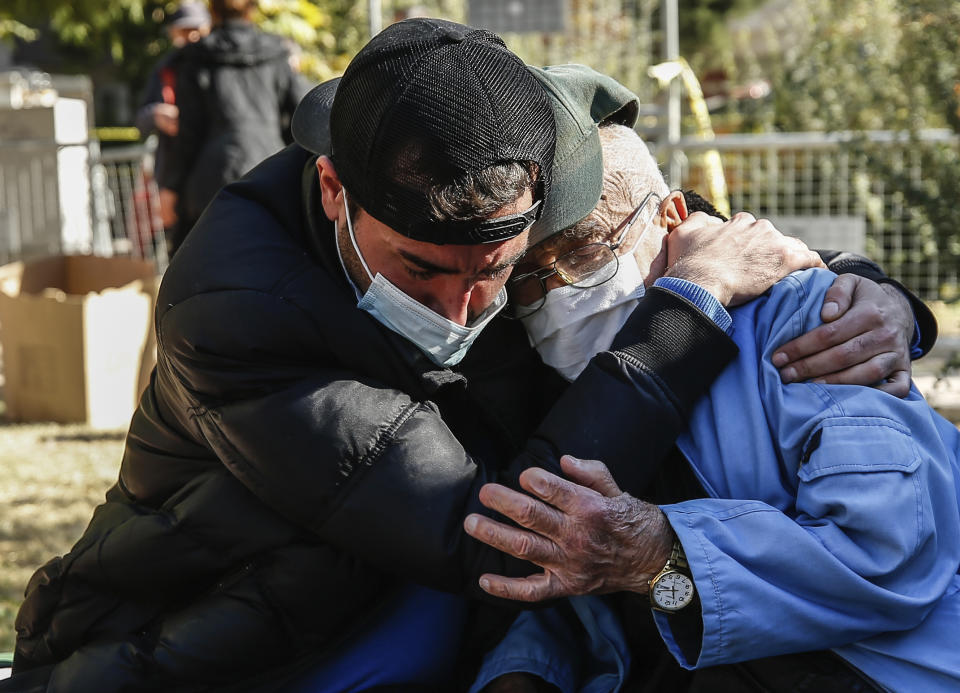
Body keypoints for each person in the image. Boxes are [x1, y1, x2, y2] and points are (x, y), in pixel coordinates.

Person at [4, 32, 926, 692]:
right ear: (334, 189)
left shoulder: (483, 169)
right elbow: (496, 531)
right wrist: (686, 313)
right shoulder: (234, 311)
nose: (465, 312)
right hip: (211, 647)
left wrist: (872, 293)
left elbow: (652, 233)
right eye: (423, 271)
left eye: (500, 276)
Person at [464, 122, 960, 692]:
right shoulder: (540, 377)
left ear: (670, 217)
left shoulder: (809, 323)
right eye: (526, 278)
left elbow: (891, 551)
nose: (556, 295)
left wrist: (661, 556)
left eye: (584, 254)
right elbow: (572, 588)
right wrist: (525, 668)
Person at [161, 0, 308, 253]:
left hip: (210, 185)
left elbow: (188, 136)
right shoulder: (276, 54)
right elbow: (302, 113)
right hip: (272, 175)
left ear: (212, 9)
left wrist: (171, 187)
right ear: (252, 7)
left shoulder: (194, 59)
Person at [134, 1, 211, 246]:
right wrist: (157, 114)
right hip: (175, 172)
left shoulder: (218, 64)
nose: (191, 36)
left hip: (211, 166)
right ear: (173, 34)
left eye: (196, 29)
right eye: (184, 31)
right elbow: (141, 120)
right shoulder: (166, 69)